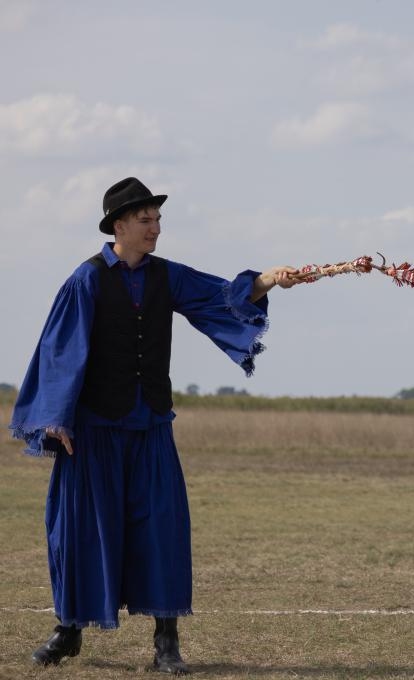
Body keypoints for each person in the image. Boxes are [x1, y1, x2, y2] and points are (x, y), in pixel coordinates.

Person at [8, 177, 299, 674]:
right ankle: (68, 630)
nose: (155, 228)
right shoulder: (86, 279)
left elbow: (219, 295)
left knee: (162, 529)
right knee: (83, 532)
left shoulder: (168, 276)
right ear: (118, 226)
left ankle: (166, 642)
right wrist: (55, 418)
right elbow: (60, 349)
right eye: (145, 220)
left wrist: (269, 279)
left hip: (151, 426)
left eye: (158, 219)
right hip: (94, 431)